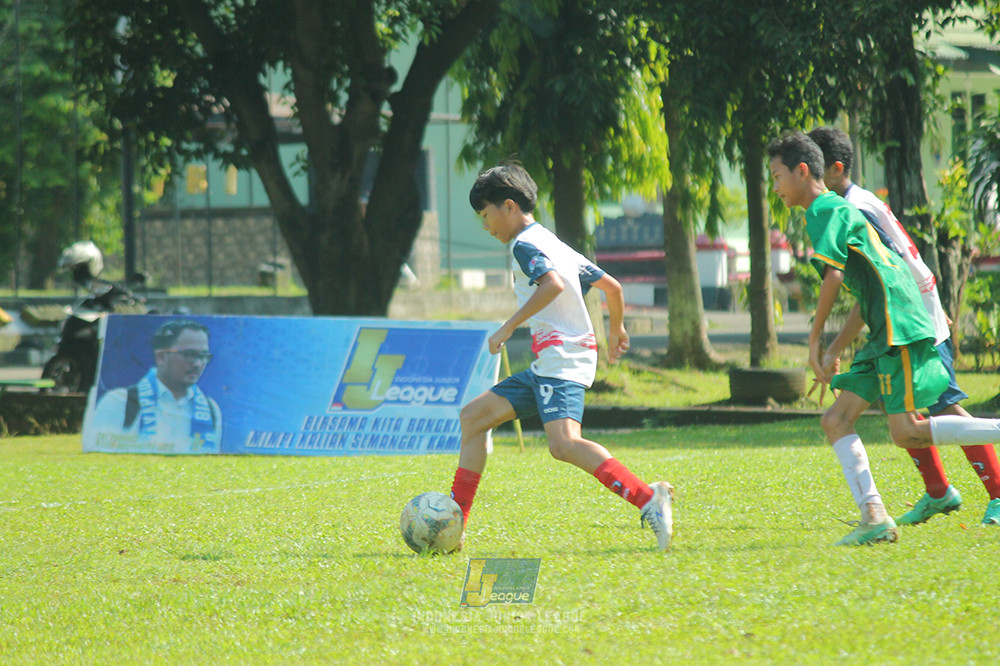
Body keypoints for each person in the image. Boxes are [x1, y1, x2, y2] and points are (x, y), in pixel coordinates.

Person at [766, 131, 1000, 545]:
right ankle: (874, 516)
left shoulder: (825, 210)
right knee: (836, 420)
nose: (775, 186)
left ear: (803, 172)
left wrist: (815, 336)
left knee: (907, 430)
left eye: (777, 175)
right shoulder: (837, 207)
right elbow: (871, 277)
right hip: (886, 326)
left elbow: (835, 275)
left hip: (900, 324)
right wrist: (834, 346)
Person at [448, 163, 674, 551]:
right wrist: (617, 329)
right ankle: (453, 524)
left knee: (564, 443)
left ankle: (647, 498)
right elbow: (613, 287)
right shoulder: (552, 241)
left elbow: (551, 285)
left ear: (509, 206)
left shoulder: (524, 244)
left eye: (486, 216)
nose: (487, 227)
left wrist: (507, 327)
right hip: (552, 361)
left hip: (562, 358)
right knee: (473, 418)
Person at [85, 319, 222, 453]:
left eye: (203, 356)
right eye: (190, 355)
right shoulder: (118, 402)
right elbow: (100, 453)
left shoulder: (211, 410)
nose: (198, 364)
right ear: (161, 357)